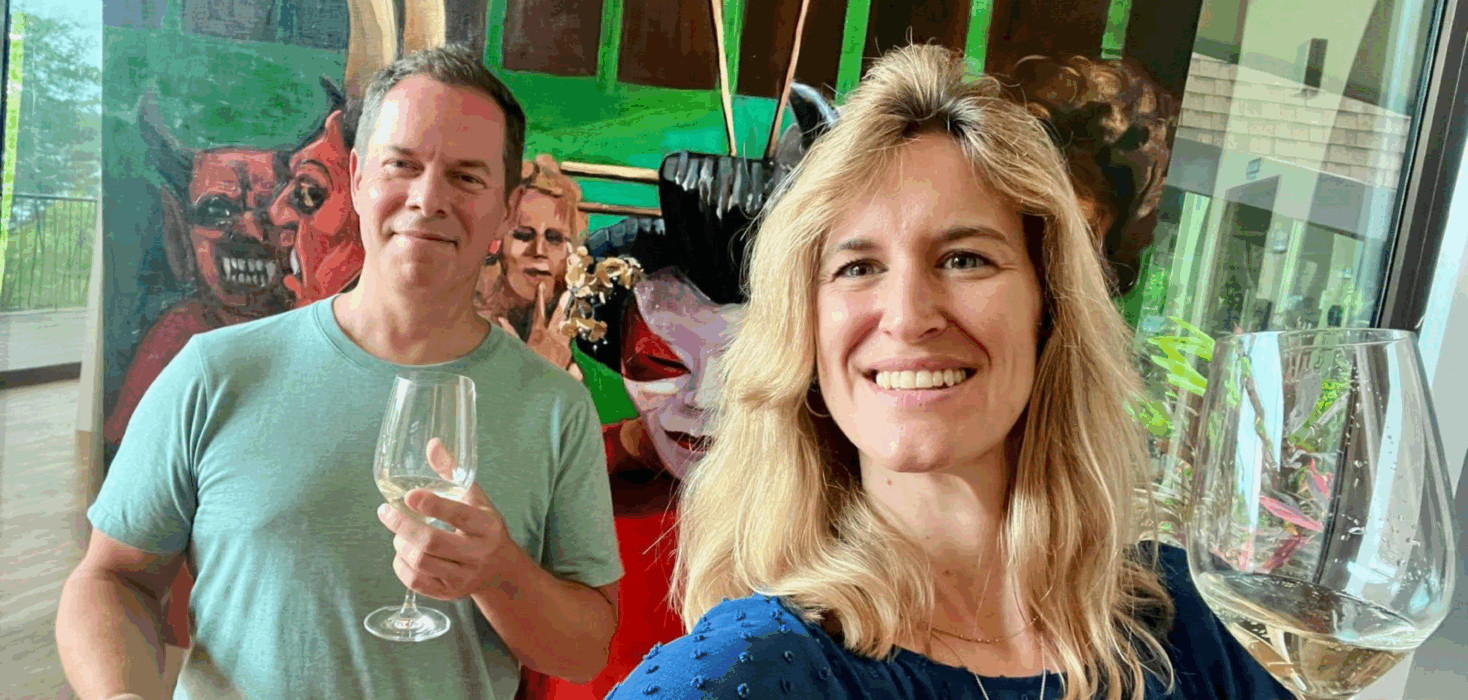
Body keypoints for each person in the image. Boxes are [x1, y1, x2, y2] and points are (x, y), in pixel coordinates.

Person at [606, 45, 1290, 700]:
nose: (907, 316)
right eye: (858, 267)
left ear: (1048, 309)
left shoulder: (1189, 623)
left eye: (964, 258)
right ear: (806, 335)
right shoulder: (753, 670)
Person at [59, 44, 621, 700]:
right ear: (356, 179)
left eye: (466, 177)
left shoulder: (557, 408)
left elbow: (585, 650)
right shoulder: (214, 372)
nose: (427, 198)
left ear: (503, 210)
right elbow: (109, 580)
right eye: (401, 166)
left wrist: (499, 574)